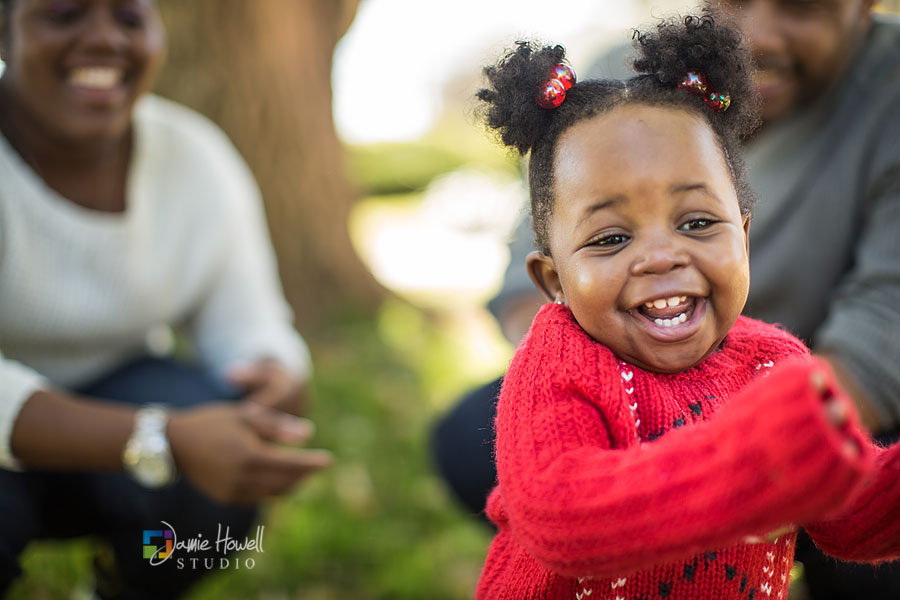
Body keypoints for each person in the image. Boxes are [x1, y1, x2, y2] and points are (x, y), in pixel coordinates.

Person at [473, 14, 900, 600]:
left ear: (743, 238)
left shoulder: (773, 361)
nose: (660, 257)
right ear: (554, 281)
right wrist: (746, 467)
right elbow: (559, 515)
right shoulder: (559, 361)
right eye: (610, 238)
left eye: (697, 223)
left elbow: (847, 511)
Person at [0, 0, 331, 597]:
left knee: (207, 510)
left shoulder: (193, 155)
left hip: (121, 422)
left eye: (129, 18)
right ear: (5, 32)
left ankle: (125, 585)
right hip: (50, 448)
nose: (104, 39)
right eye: (64, 14)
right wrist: (163, 436)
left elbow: (249, 320)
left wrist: (272, 375)